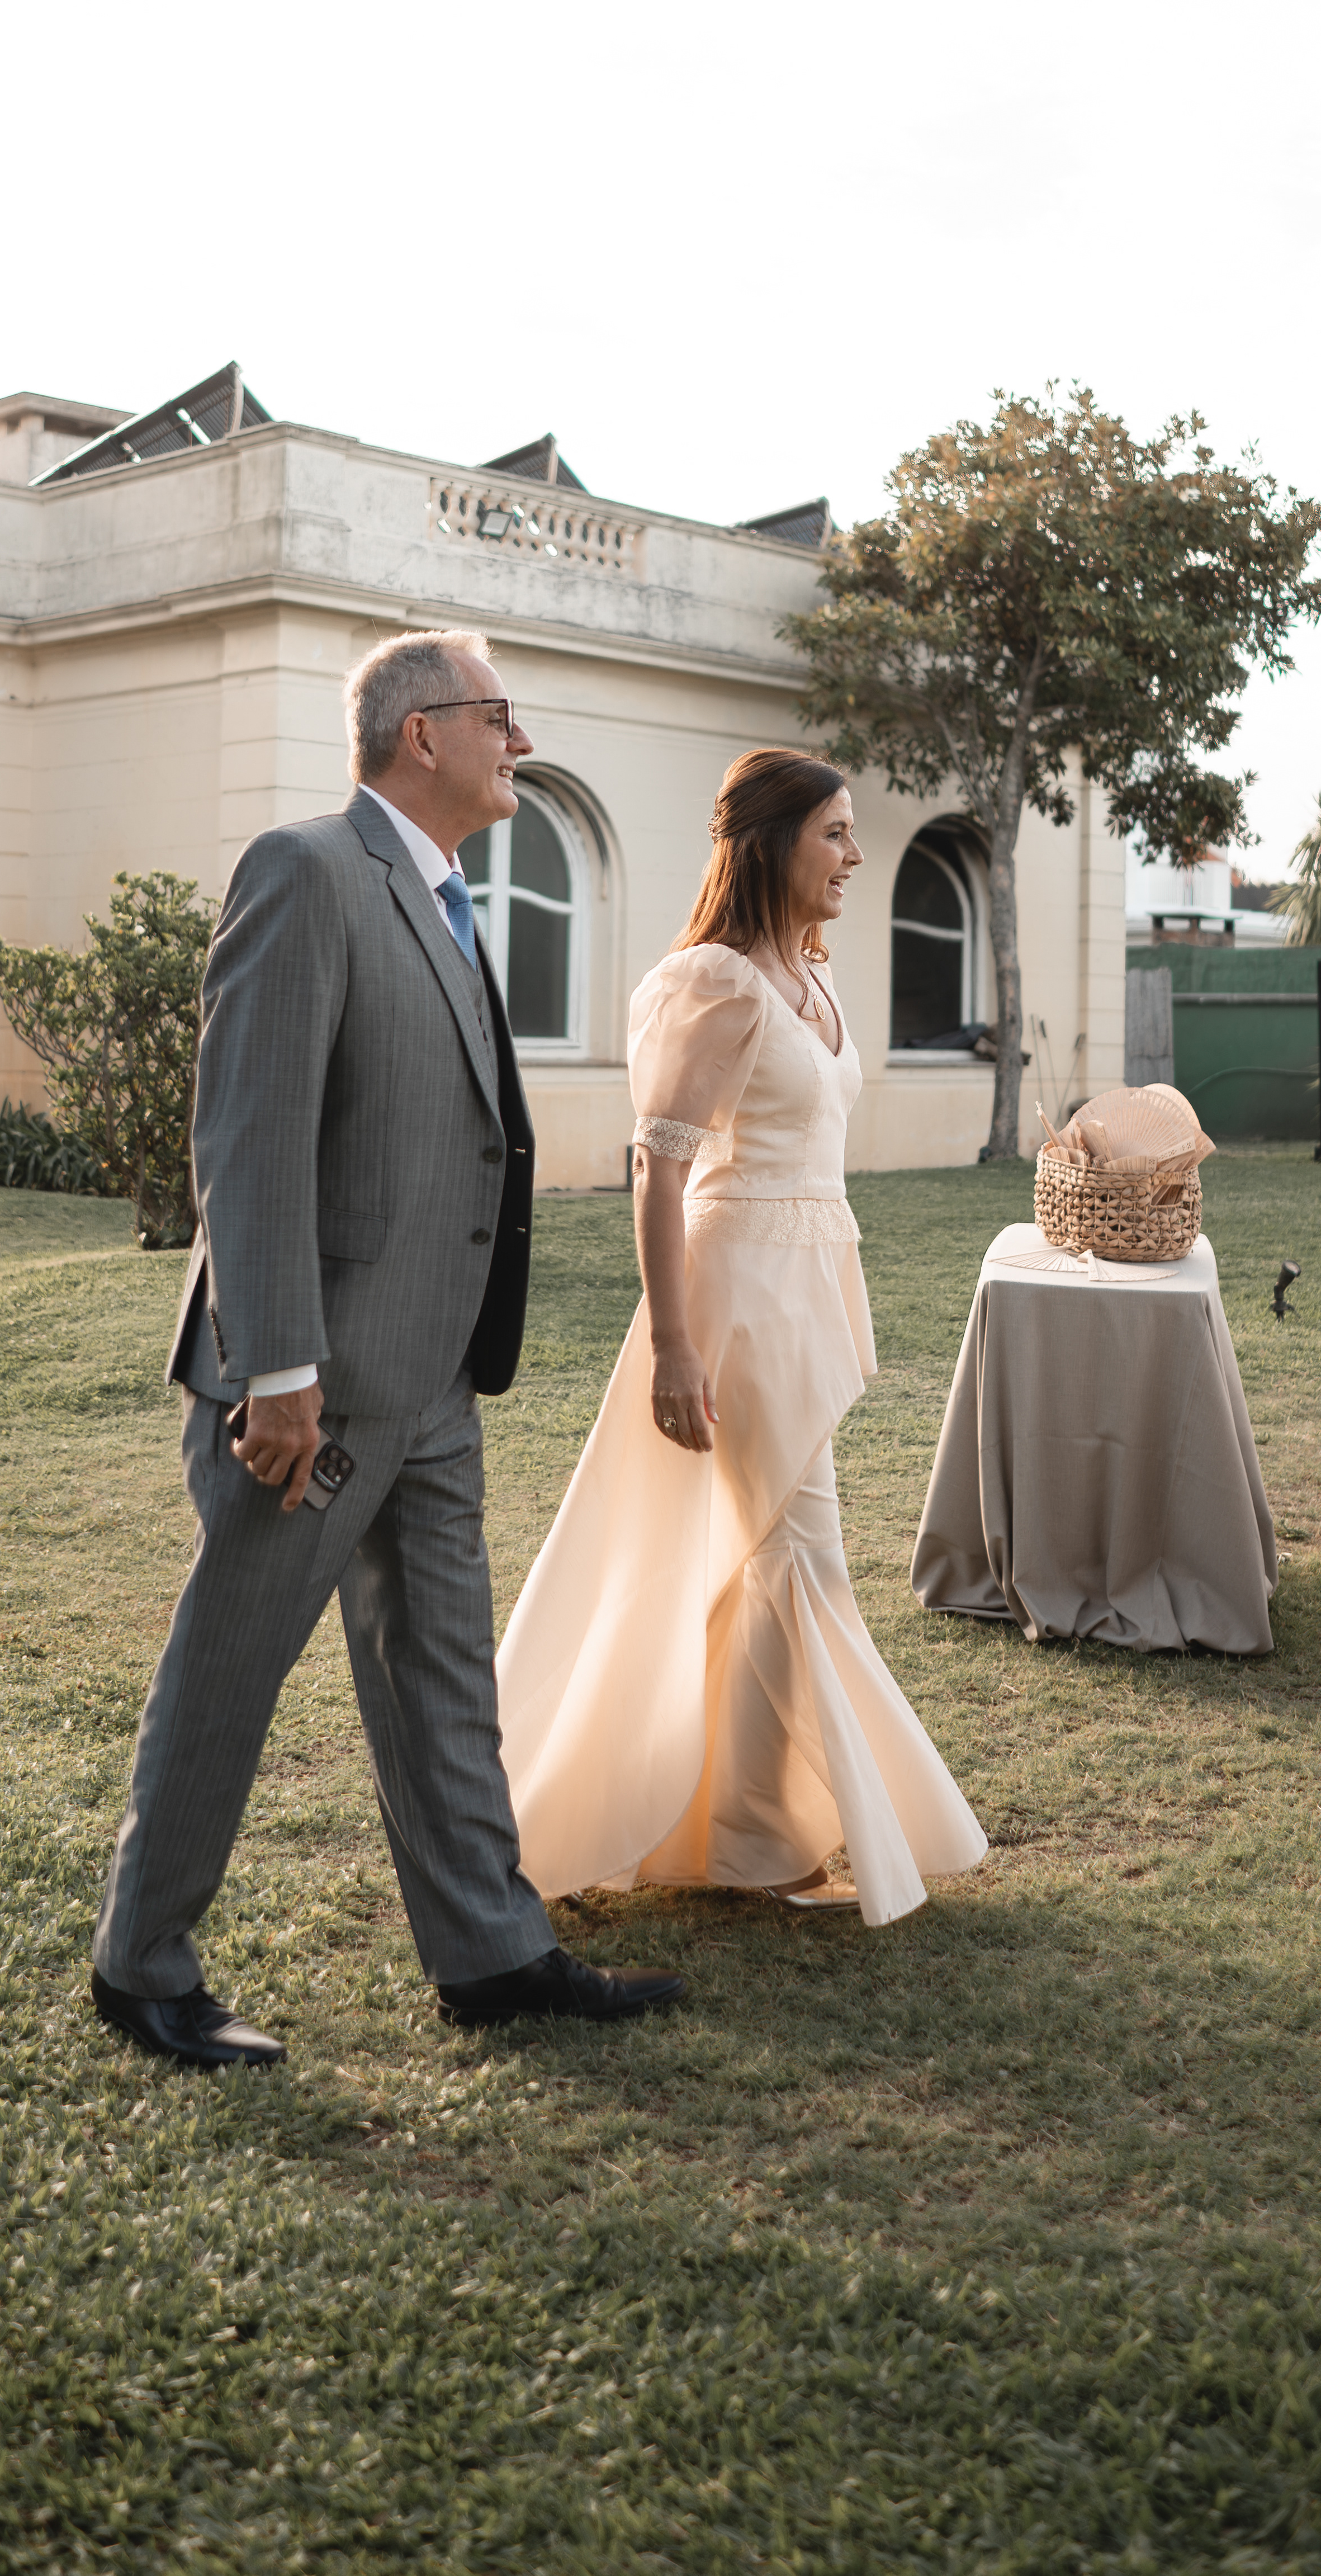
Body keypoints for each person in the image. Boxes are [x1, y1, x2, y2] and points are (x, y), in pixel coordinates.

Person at [89, 628, 685, 2063]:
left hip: (432, 1381)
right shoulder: (307, 871)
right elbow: (248, 1135)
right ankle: (140, 1963)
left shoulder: (444, 895)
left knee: (443, 1674)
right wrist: (277, 1367)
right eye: (500, 716)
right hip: (313, 1388)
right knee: (231, 1669)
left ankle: (489, 1954)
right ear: (422, 734)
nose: (519, 742)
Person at [495, 749, 987, 1924]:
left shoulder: (807, 975)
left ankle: (732, 1827)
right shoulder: (711, 980)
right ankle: (765, 1835)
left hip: (808, 1286)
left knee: (758, 1567)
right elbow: (656, 1170)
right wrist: (674, 1346)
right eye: (834, 834)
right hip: (733, 1300)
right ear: (770, 843)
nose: (856, 857)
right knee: (794, 1559)